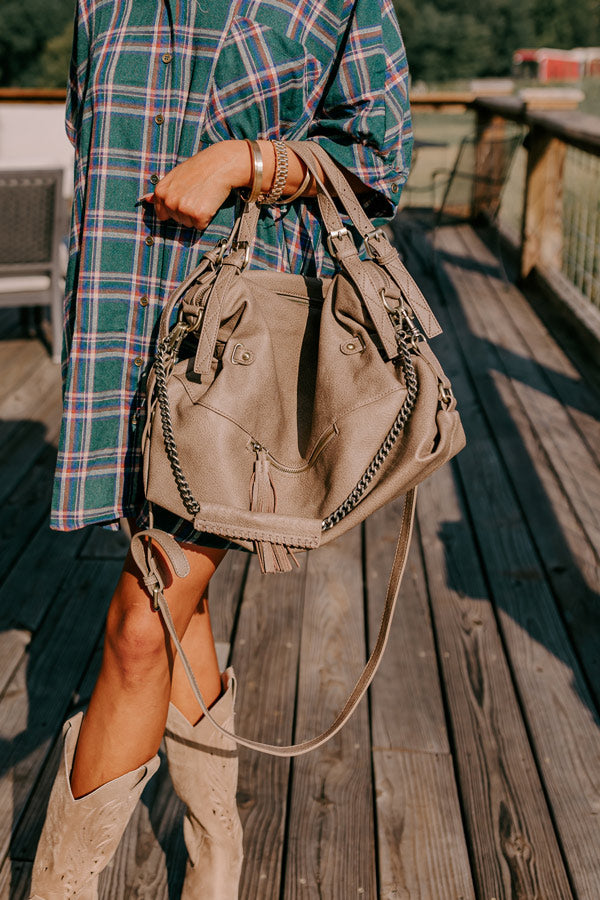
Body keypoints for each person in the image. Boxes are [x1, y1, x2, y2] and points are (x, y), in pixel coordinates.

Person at [29, 1, 413, 897]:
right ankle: (217, 855)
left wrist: (245, 161)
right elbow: (95, 131)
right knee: (176, 613)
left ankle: (57, 886)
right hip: (120, 335)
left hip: (235, 353)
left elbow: (382, 155)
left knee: (137, 623)